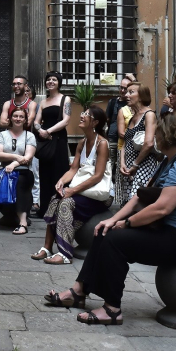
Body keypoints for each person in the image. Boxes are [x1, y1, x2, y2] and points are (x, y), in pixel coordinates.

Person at [42, 113, 176, 325]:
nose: (155, 138)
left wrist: (127, 223)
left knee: (115, 242)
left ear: (169, 137)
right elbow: (140, 197)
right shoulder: (169, 161)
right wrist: (112, 220)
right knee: (104, 231)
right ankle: (78, 291)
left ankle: (112, 309)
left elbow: (162, 208)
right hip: (166, 230)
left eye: (158, 134)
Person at [31, 105, 112, 264]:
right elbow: (74, 169)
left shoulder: (102, 144)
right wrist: (61, 181)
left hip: (98, 195)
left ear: (94, 122)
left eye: (86, 114)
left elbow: (97, 176)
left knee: (66, 203)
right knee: (55, 199)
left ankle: (65, 254)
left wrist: (72, 190)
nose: (81, 116)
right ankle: (47, 247)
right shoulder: (82, 143)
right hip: (83, 191)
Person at [0, 107, 37, 235]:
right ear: (10, 118)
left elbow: (28, 157)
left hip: (24, 170)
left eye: (21, 117)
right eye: (15, 116)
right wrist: (16, 157)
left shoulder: (29, 136)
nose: (18, 119)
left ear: (25, 120)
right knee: (0, 179)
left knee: (19, 181)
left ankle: (23, 223)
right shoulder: (3, 134)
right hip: (4, 169)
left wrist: (14, 163)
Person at [116, 82, 158, 207]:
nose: (126, 95)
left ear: (141, 96)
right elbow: (126, 141)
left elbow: (149, 143)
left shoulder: (149, 115)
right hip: (129, 166)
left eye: (131, 92)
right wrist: (122, 163)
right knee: (128, 201)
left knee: (137, 200)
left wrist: (135, 164)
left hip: (143, 164)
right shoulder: (134, 116)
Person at [34, 71, 72, 211]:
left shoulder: (65, 99)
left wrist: (48, 131)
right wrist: (40, 130)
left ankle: (60, 208)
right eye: (48, 79)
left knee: (59, 171)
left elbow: (66, 120)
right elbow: (36, 122)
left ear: (59, 83)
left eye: (54, 80)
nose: (50, 82)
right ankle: (45, 208)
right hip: (45, 141)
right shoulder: (43, 101)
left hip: (59, 139)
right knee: (45, 173)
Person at [106, 75, 132, 179]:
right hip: (112, 138)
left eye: (125, 88)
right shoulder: (113, 102)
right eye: (120, 87)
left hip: (126, 140)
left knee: (123, 164)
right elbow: (108, 119)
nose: (122, 90)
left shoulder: (132, 103)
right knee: (110, 164)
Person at [26, 85, 41, 215]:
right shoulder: (16, 107)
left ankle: (35, 201)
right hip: (20, 143)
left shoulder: (37, 107)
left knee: (34, 172)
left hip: (34, 142)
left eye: (28, 91)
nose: (25, 93)